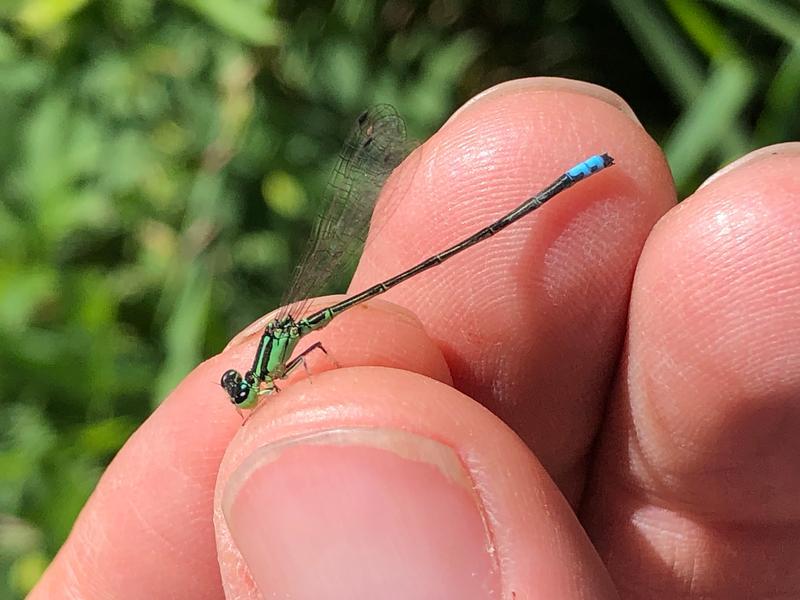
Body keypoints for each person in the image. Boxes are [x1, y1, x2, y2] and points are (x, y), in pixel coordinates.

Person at [29, 78, 800, 599]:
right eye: (243, 391)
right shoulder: (272, 367)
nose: (242, 392)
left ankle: (577, 179)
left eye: (242, 387)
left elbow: (306, 359)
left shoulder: (274, 366)